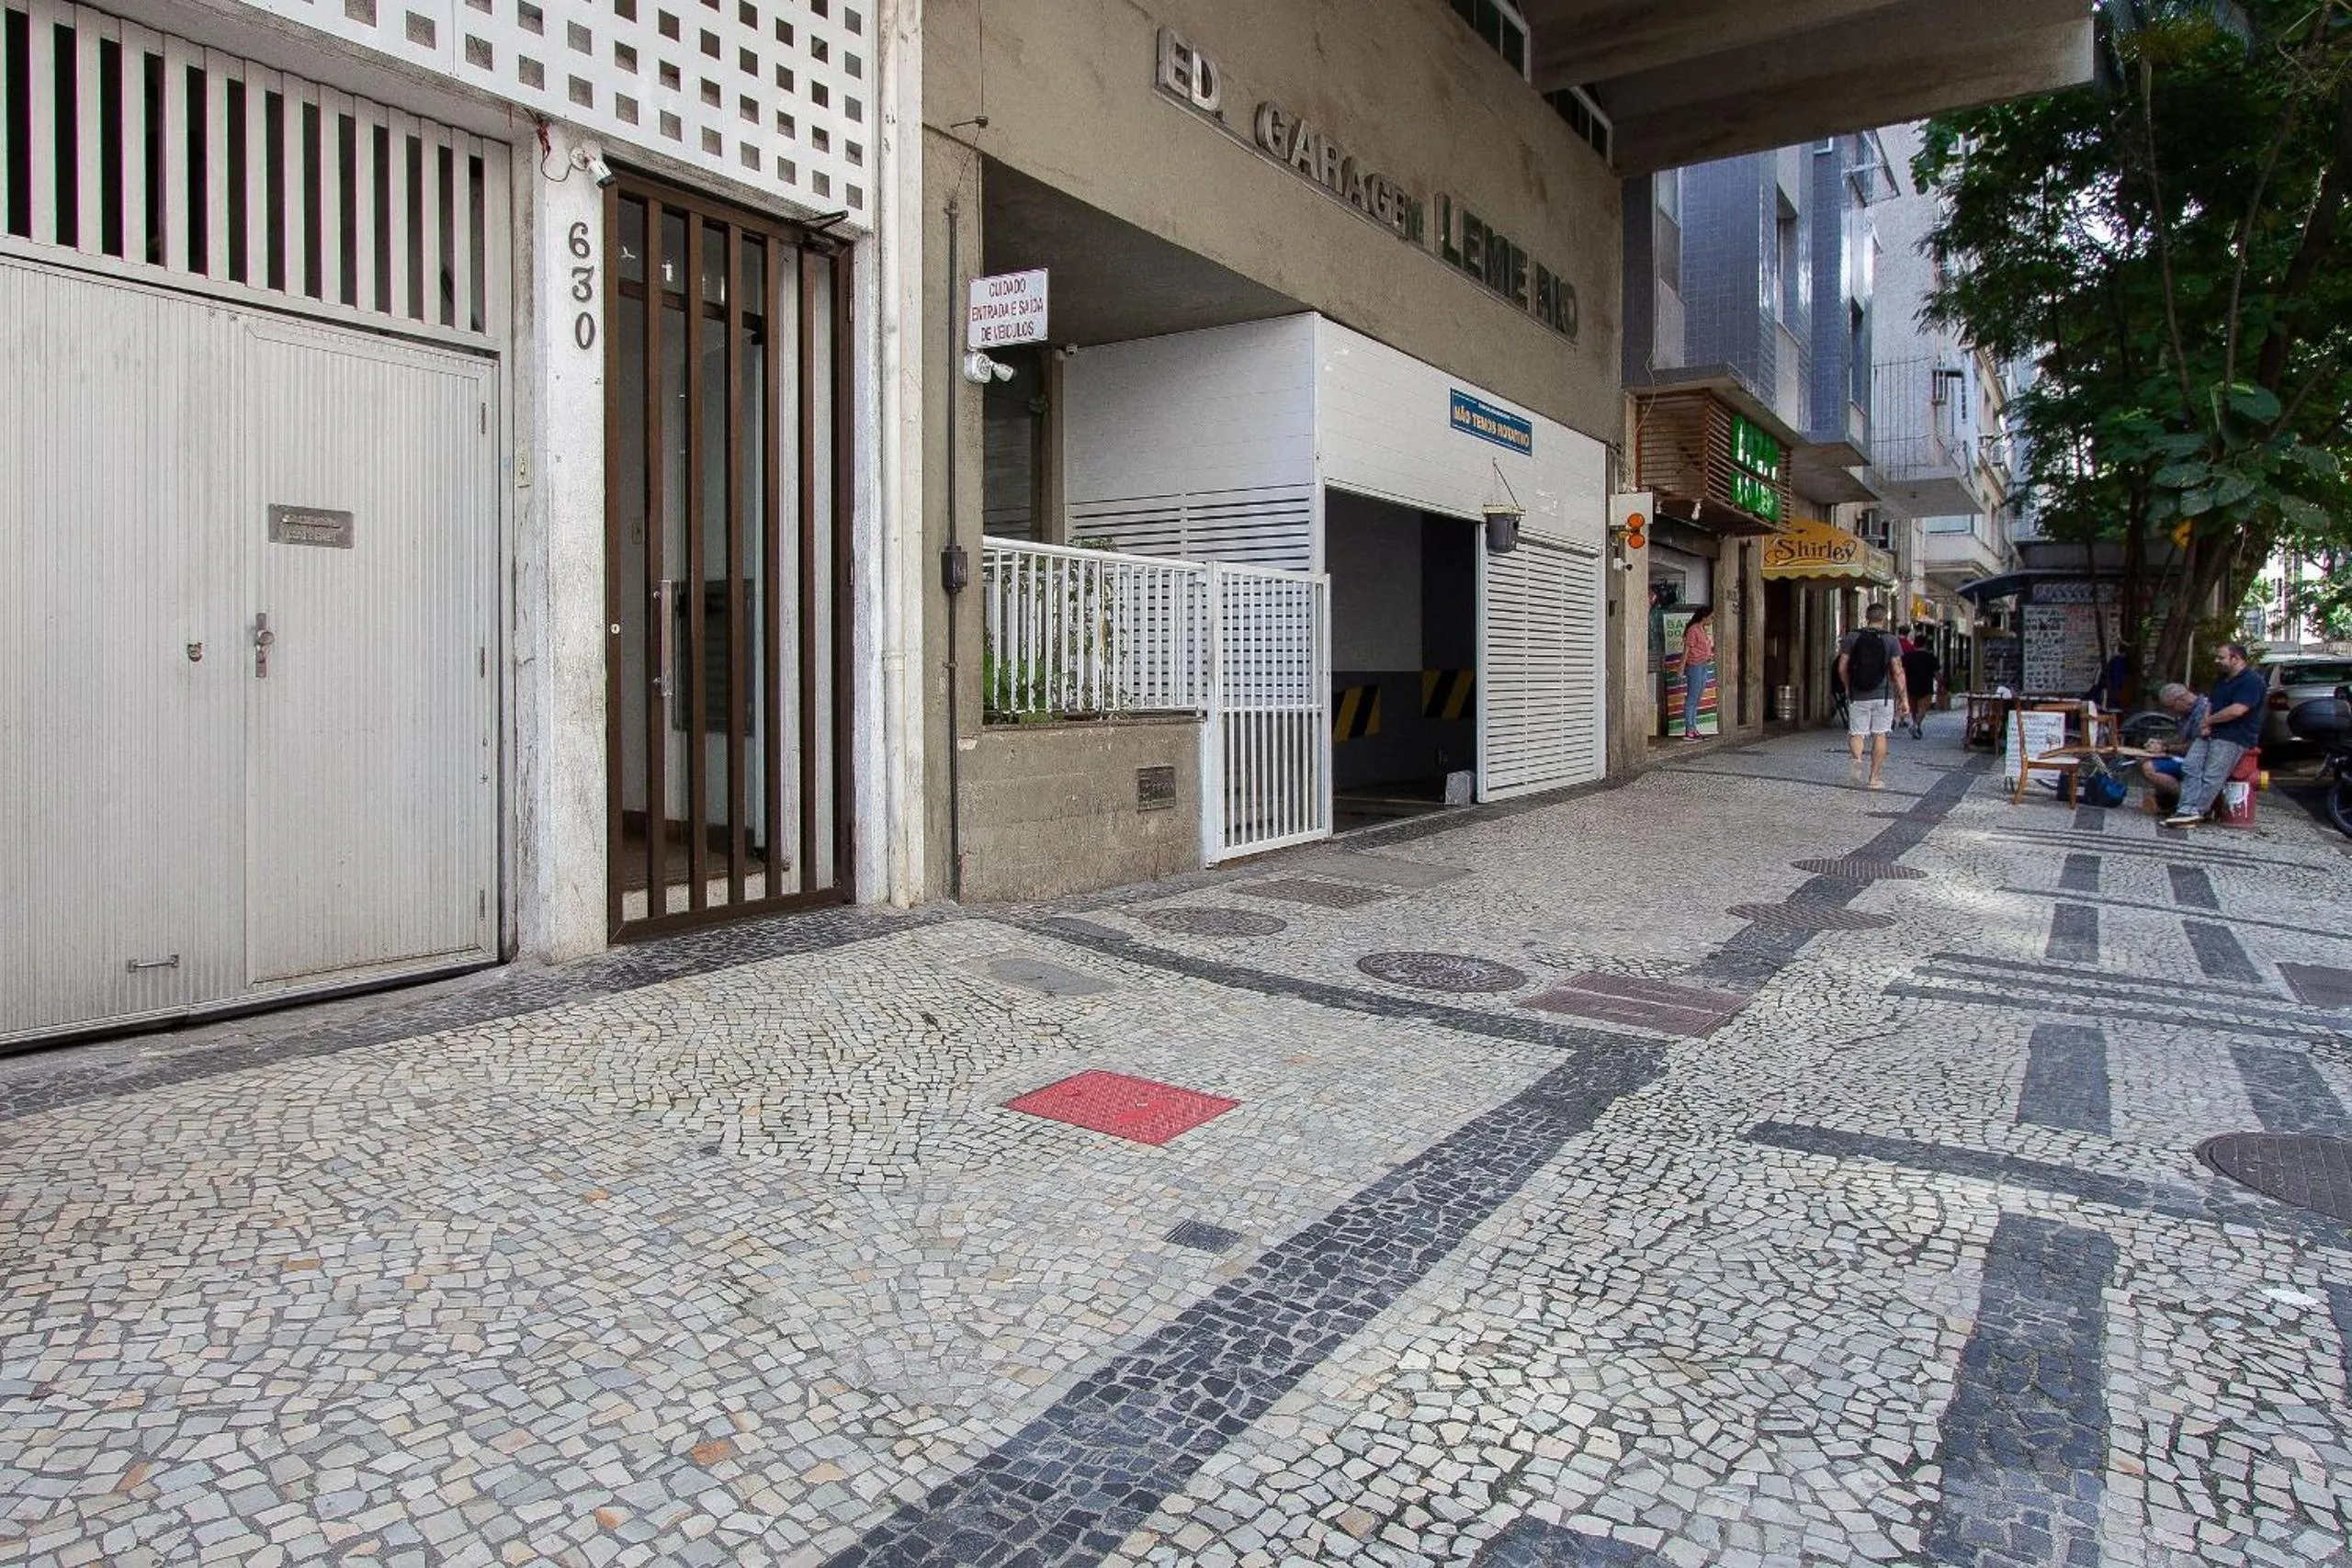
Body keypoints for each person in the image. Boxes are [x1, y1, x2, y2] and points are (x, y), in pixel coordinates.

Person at [2162, 643, 2267, 829]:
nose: (2216, 660)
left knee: (2212, 775)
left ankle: (2196, 812)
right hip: (2211, 732)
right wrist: (2205, 722)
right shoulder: (2222, 678)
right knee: (2190, 766)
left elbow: (2237, 710)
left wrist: (2209, 721)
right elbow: (2211, 702)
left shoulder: (2252, 681)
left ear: (2236, 658)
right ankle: (2185, 809)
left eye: (2221, 657)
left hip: (2233, 736)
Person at [1837, 604, 1910, 789]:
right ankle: (1874, 778)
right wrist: (1904, 699)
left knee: (1857, 733)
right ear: (1884, 618)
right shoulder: (1891, 640)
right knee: (1880, 734)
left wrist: (1847, 687)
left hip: (1858, 694)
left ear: (1866, 616)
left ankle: (1857, 759)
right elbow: (1898, 671)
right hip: (1883, 696)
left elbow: (1842, 667)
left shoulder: (1852, 637)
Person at [2136, 682, 2209, 817]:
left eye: (2171, 707)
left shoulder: (2203, 711)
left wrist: (2166, 748)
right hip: (2187, 756)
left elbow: (2196, 747)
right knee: (2142, 760)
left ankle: (2194, 800)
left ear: (2181, 700)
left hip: (2198, 760)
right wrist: (2161, 743)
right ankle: (2168, 801)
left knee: (2149, 768)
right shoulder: (2186, 713)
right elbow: (2180, 738)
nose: (2171, 711)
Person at [1679, 605, 1716, 740]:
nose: (1712, 620)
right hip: (1694, 666)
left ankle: (1693, 728)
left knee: (1697, 698)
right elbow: (1687, 650)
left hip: (1703, 665)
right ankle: (1689, 730)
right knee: (1692, 698)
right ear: (1704, 617)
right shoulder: (1693, 630)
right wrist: (1681, 667)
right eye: (1711, 617)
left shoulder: (1702, 629)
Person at [1899, 637, 1940, 739]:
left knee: (1914, 709)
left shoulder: (1907, 656)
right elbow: (1936, 674)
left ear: (1915, 644)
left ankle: (1916, 726)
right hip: (1926, 685)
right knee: (1923, 708)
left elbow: (1901, 671)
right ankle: (1916, 725)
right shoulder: (1931, 657)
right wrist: (1942, 684)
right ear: (1925, 644)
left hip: (1911, 685)